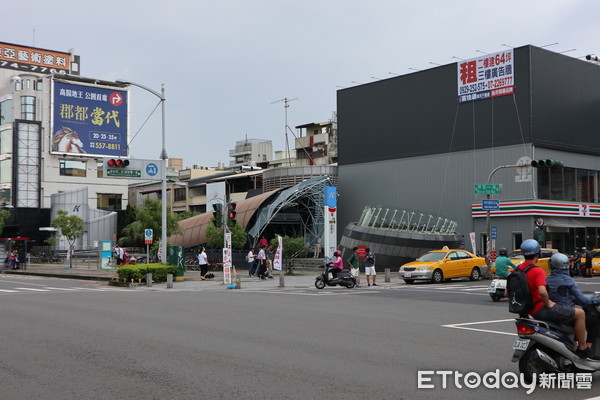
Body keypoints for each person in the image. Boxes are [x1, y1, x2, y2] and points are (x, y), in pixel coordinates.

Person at [516, 239, 597, 361]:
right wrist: (548, 303)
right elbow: (543, 291)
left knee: (575, 313)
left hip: (528, 311)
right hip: (541, 309)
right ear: (538, 254)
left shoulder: (518, 270)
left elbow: (508, 292)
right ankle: (583, 348)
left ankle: (573, 345)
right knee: (580, 314)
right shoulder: (538, 271)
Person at [547, 252, 600, 353]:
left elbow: (560, 295)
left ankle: (574, 343)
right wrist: (597, 300)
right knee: (594, 322)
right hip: (564, 314)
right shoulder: (568, 280)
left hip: (551, 312)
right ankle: (585, 348)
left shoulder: (546, 279)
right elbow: (584, 300)